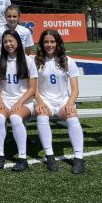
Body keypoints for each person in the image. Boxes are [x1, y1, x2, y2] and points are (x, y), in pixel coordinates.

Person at [34, 29, 85, 174]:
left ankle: (79, 159)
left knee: (73, 118)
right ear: (41, 44)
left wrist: (69, 104)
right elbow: (33, 88)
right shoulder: (36, 61)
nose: (49, 45)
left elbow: (75, 89)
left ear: (57, 43)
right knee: (42, 116)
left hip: (63, 101)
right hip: (46, 102)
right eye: (46, 42)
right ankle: (50, 156)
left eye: (52, 41)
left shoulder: (68, 61)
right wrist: (40, 102)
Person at [0, 30, 37, 171]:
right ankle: (0, 155)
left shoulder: (28, 60)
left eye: (11, 41)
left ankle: (22, 158)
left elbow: (32, 88)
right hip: (4, 100)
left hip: (24, 102)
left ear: (18, 42)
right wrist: (0, 102)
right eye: (5, 42)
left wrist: (19, 103)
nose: (8, 44)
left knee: (16, 118)